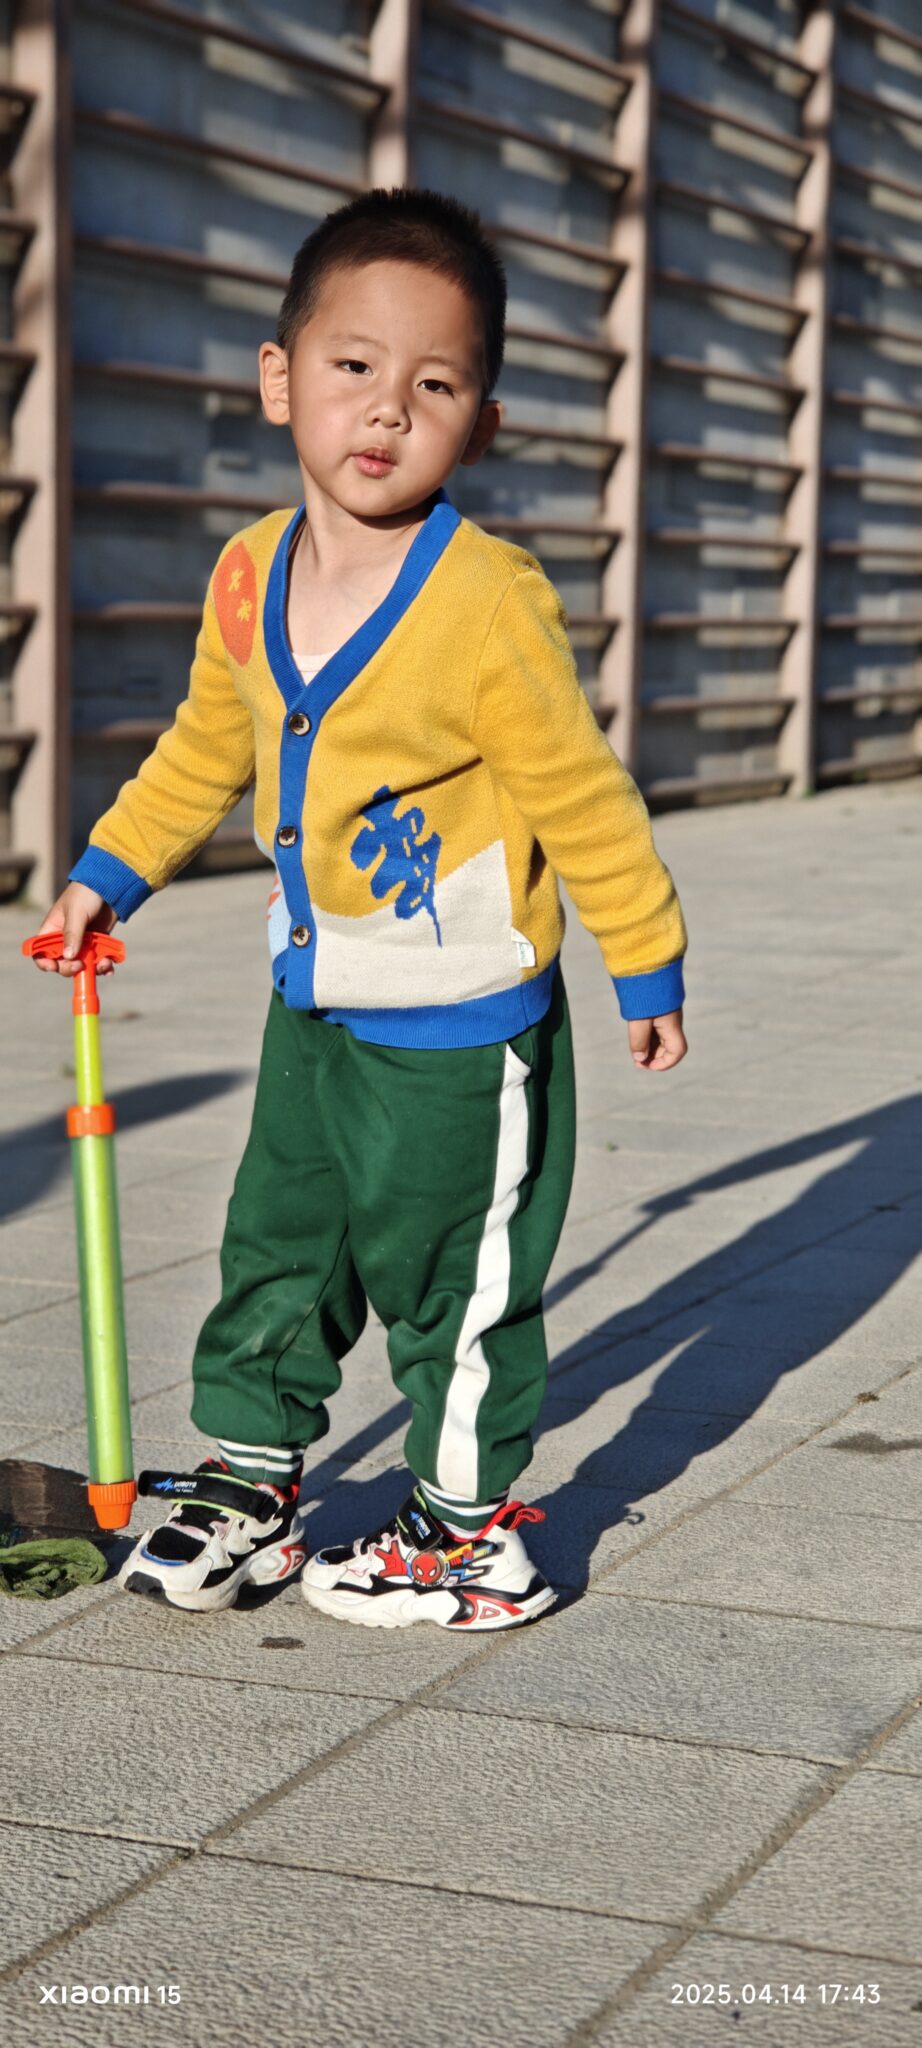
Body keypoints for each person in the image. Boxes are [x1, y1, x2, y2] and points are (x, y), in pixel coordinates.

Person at [35, 187, 688, 1630]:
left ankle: (466, 1532)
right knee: (281, 1238)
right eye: (354, 366)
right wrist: (109, 868)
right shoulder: (247, 574)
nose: (388, 408)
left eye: (435, 386)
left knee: (451, 1276)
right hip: (316, 998)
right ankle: (255, 1477)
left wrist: (644, 957)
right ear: (281, 379)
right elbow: (208, 743)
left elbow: (582, 793)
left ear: (481, 424)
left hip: (461, 1024)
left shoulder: (487, 602)